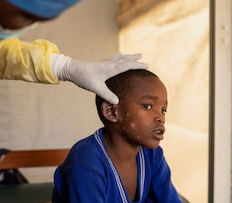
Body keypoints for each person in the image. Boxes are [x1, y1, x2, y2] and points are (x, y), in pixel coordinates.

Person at [0, 0, 148, 202]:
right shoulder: (87, 159)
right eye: (28, 15)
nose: (23, 29)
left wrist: (61, 66)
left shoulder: (149, 158)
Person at [52, 69, 182, 203]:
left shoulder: (152, 155)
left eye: (163, 110)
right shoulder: (85, 161)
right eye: (147, 106)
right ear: (112, 112)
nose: (161, 117)